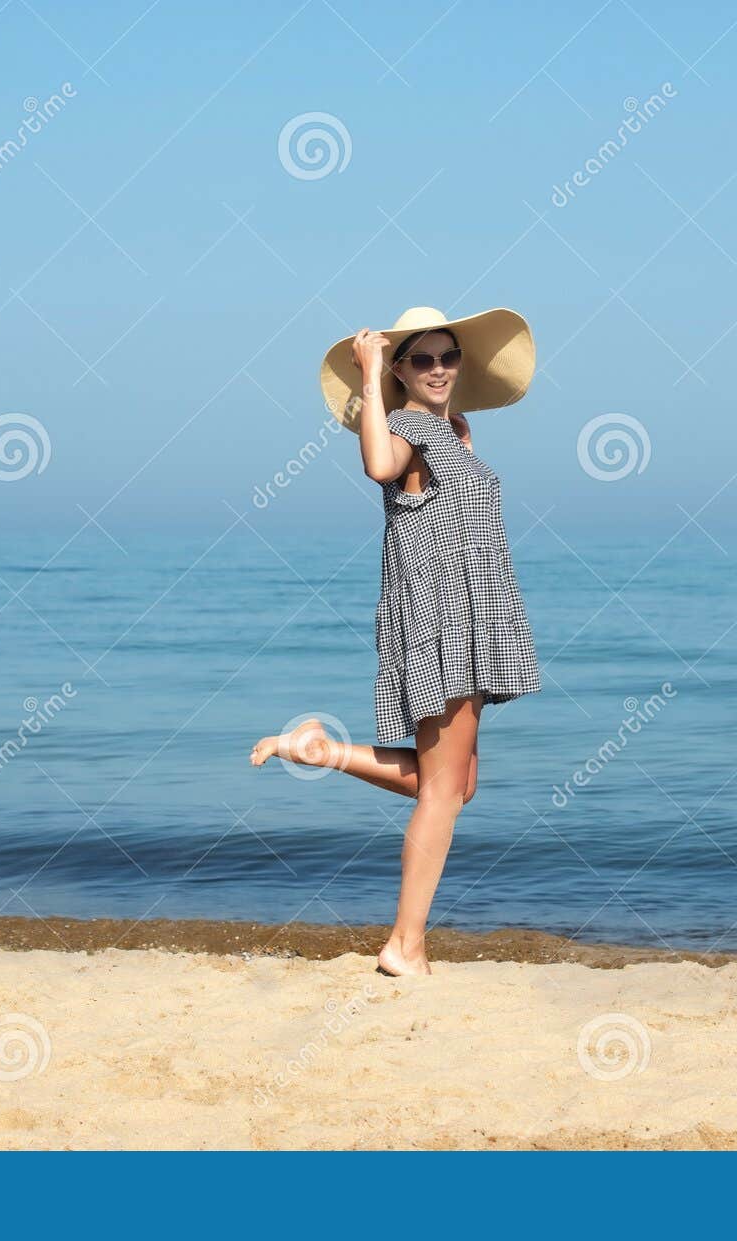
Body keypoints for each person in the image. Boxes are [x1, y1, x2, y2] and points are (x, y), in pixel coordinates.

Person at [251, 307, 541, 976]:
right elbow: (379, 464)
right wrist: (371, 369)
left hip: (471, 616)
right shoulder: (407, 427)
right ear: (404, 371)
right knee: (443, 792)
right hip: (442, 620)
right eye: (422, 359)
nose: (438, 368)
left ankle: (321, 749)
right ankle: (405, 944)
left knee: (457, 782)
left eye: (448, 357)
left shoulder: (451, 431)